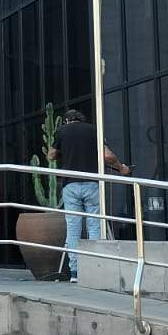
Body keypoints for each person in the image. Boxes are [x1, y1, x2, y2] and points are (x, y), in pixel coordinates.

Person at [54, 109, 128, 281]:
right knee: (94, 226)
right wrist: (121, 167)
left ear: (66, 120)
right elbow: (107, 155)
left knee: (73, 229)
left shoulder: (62, 131)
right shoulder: (94, 130)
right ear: (81, 119)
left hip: (70, 185)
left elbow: (51, 155)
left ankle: (75, 273)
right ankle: (94, 269)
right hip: (91, 183)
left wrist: (61, 152)